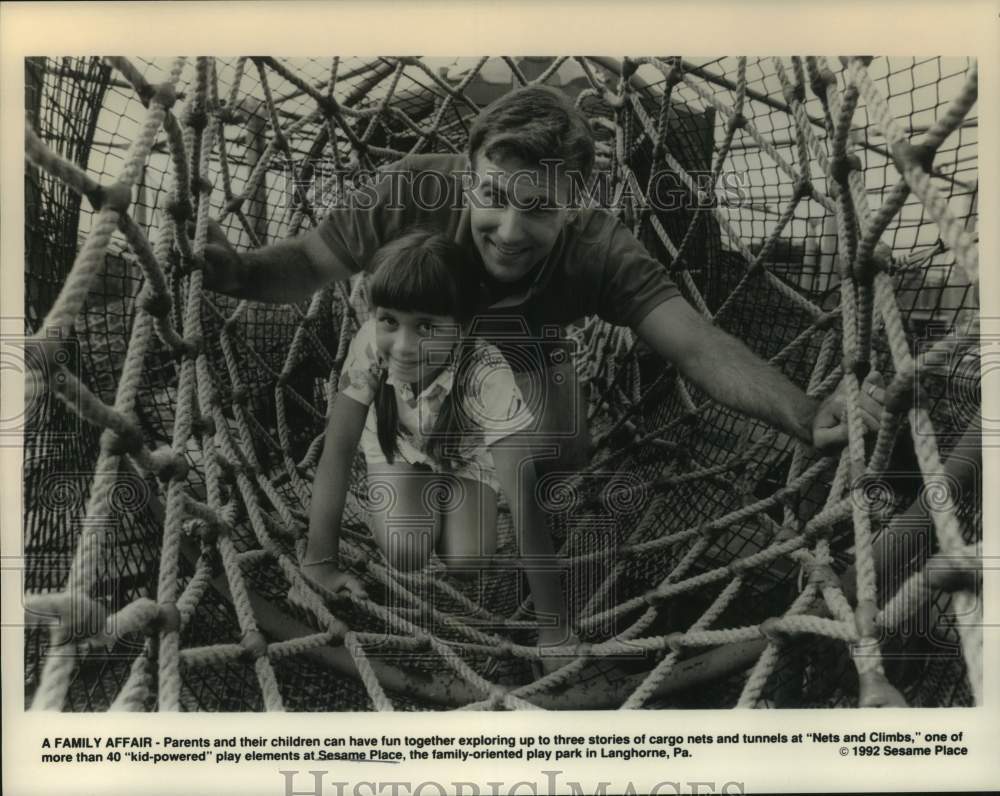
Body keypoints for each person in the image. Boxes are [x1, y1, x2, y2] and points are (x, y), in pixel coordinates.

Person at [199, 84, 883, 464]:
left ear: (575, 203)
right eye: (494, 199)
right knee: (408, 433)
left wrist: (800, 411)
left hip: (524, 341)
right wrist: (238, 273)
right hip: (417, 332)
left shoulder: (600, 250)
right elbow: (310, 262)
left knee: (564, 453)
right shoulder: (409, 192)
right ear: (467, 176)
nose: (510, 232)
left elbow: (697, 344)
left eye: (539, 209)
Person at [301, 228, 571, 657]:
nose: (405, 347)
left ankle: (442, 496)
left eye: (426, 326)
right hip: (398, 446)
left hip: (464, 457)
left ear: (461, 328)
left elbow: (522, 497)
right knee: (406, 550)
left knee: (469, 559)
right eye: (390, 320)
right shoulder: (371, 347)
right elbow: (337, 450)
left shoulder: (485, 372)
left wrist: (555, 632)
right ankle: (418, 493)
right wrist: (319, 564)